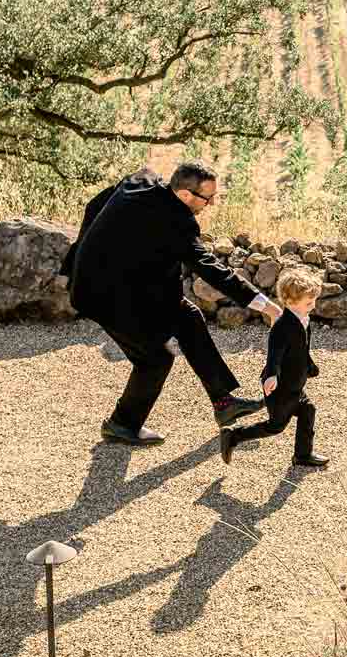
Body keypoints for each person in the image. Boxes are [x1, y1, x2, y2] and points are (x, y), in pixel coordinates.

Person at [62, 161, 281, 445]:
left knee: (186, 315)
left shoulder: (141, 179)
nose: (212, 203)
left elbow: (94, 206)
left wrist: (83, 253)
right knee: (155, 358)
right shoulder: (178, 223)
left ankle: (223, 402)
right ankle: (122, 423)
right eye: (208, 198)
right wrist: (268, 307)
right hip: (103, 297)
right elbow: (213, 270)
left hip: (129, 285)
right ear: (186, 194)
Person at [219, 267, 329, 469]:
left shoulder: (303, 319)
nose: (313, 306)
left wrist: (309, 365)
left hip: (294, 383)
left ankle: (303, 455)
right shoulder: (282, 326)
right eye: (308, 302)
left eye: (314, 301)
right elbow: (274, 354)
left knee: (308, 410)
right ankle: (233, 436)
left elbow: (301, 348)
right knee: (275, 426)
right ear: (289, 301)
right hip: (280, 387)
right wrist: (271, 375)